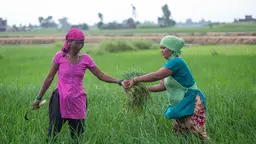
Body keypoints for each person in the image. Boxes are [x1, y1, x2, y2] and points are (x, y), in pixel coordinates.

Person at [32, 28, 127, 142]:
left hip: (78, 100)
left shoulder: (86, 59)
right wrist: (38, 98)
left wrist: (120, 81)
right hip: (60, 99)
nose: (80, 45)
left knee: (77, 137)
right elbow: (49, 78)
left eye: (82, 42)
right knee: (52, 134)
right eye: (77, 43)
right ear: (69, 42)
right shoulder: (60, 57)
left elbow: (100, 75)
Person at [125, 35, 209, 141]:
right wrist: (144, 90)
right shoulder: (168, 64)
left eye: (164, 48)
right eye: (161, 48)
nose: (161, 51)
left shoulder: (176, 62)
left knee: (198, 133)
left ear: (172, 49)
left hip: (191, 102)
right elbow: (162, 86)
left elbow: (157, 75)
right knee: (180, 135)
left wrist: (136, 79)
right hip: (179, 105)